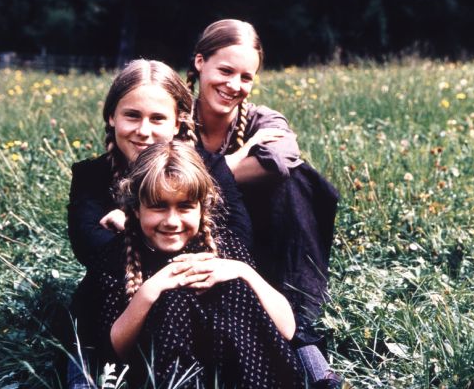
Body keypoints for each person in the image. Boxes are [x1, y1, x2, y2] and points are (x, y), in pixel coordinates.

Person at [70, 141, 306, 388]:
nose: (172, 221)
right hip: (162, 373)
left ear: (202, 208)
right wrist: (150, 291)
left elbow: (288, 330)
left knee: (235, 288)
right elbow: (111, 352)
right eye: (158, 206)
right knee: (173, 300)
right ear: (137, 209)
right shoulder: (116, 257)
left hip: (238, 373)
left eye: (184, 207)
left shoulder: (226, 248)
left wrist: (243, 271)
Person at [187, 19, 342, 388]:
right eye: (224, 71)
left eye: (246, 77)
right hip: (189, 232)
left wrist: (198, 180)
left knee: (299, 180)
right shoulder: (175, 117)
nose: (234, 86)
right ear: (199, 62)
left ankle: (298, 319)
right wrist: (238, 160)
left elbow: (283, 158)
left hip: (259, 235)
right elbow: (160, 182)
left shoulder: (263, 118)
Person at [67, 59, 251, 269]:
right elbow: (91, 249)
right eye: (132, 116)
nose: (144, 131)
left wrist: (132, 229)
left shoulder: (210, 168)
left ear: (176, 124)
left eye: (157, 119)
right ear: (111, 117)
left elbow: (238, 241)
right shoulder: (90, 175)